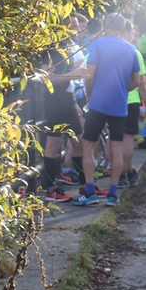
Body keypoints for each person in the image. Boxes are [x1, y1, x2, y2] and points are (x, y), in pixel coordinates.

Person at [71, 13, 143, 207]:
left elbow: (89, 75)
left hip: (98, 103)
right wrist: (121, 90)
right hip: (119, 105)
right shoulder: (131, 49)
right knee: (116, 148)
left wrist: (89, 92)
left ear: (106, 26)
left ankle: (90, 191)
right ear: (123, 28)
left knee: (88, 145)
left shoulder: (98, 44)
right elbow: (137, 81)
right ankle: (112, 194)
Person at [38, 21, 86, 203]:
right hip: (54, 101)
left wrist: (73, 102)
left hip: (67, 101)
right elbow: (46, 78)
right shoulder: (51, 49)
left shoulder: (67, 48)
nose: (77, 29)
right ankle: (51, 190)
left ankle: (85, 186)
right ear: (62, 27)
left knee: (79, 142)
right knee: (54, 144)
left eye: (77, 26)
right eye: (73, 26)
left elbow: (69, 80)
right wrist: (74, 73)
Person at [119, 21, 146, 189]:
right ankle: (124, 173)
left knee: (114, 139)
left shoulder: (110, 51)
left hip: (113, 99)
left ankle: (122, 173)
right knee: (128, 139)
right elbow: (142, 83)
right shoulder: (134, 52)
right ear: (127, 33)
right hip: (131, 100)